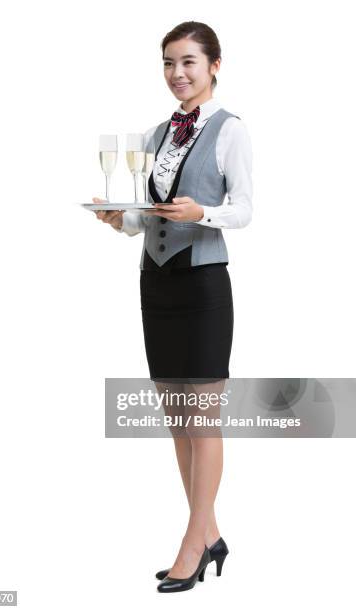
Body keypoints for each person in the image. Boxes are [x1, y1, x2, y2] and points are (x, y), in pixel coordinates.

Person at [92, 21, 253, 593]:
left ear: (214, 65)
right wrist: (119, 219)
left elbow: (243, 209)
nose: (177, 73)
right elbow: (146, 218)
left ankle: (192, 542)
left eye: (187, 62)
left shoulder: (230, 130)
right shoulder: (156, 133)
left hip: (205, 286)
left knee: (203, 420)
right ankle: (209, 533)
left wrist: (201, 214)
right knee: (177, 421)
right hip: (156, 286)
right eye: (167, 63)